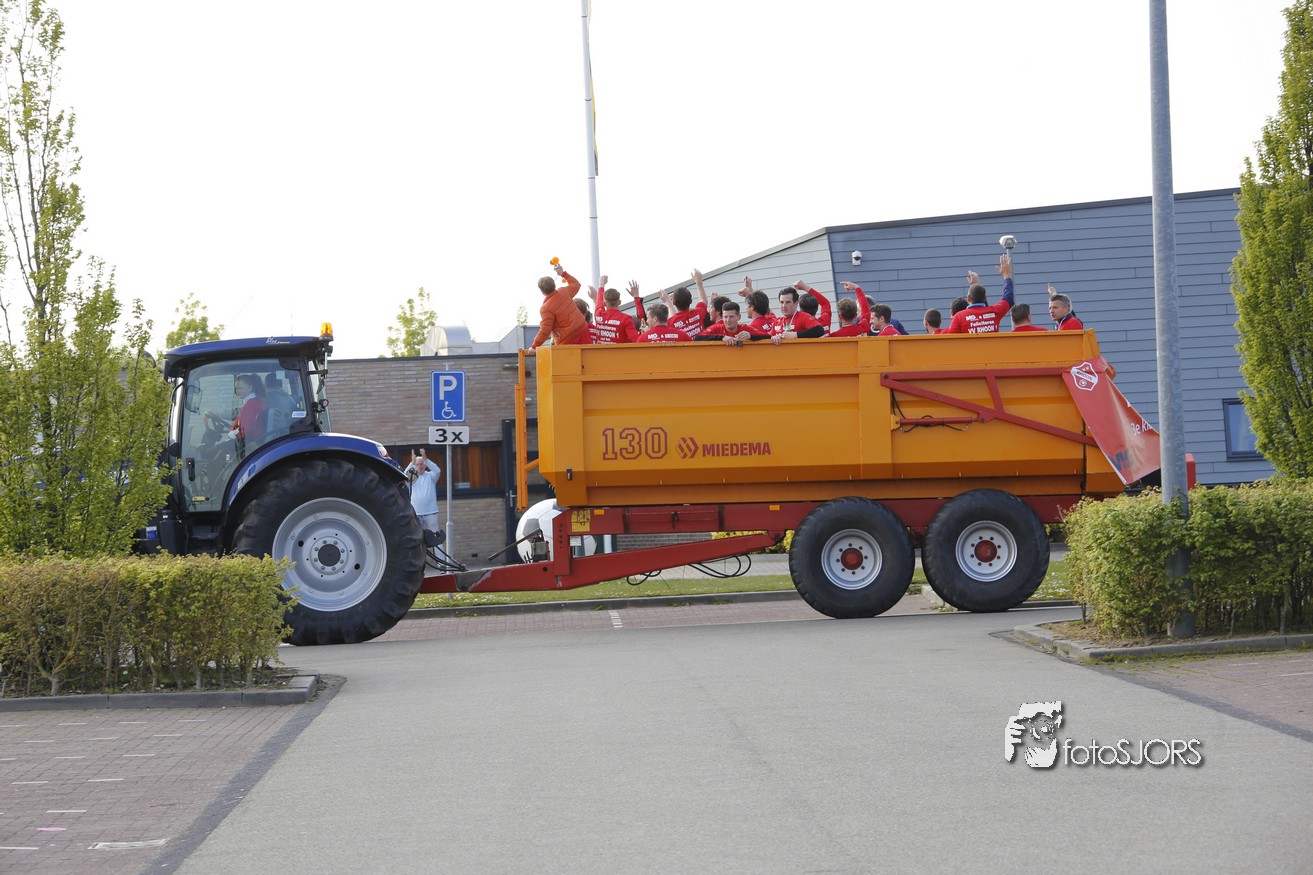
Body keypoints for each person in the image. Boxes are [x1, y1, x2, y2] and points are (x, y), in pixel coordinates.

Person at [944, 254, 1016, 334]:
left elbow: (951, 339)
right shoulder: (994, 312)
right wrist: (1007, 276)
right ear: (985, 298)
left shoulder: (959, 317)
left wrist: (975, 285)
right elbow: (1008, 299)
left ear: (968, 298)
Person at [529, 261, 589, 351]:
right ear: (554, 285)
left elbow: (545, 330)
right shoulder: (564, 291)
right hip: (582, 329)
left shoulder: (545, 309)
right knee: (589, 358)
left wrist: (534, 346)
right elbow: (576, 284)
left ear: (542, 291)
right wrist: (562, 273)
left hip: (567, 339)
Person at [660, 269, 710, 338]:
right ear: (691, 301)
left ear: (673, 302)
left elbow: (672, 317)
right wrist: (698, 282)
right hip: (701, 345)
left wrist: (668, 301)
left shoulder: (671, 322)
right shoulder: (697, 313)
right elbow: (703, 300)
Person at [404, 448, 442, 537]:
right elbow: (404, 476)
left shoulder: (431, 476)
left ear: (425, 465)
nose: (419, 466)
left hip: (431, 513)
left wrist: (426, 459)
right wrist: (412, 463)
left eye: (421, 464)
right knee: (417, 537)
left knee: (436, 537)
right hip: (416, 513)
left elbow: (437, 471)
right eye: (417, 464)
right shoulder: (412, 478)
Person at [695, 300, 769, 344]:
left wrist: (750, 336)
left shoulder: (744, 328)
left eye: (731, 317)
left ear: (739, 317)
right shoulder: (717, 328)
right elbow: (698, 338)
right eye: (725, 317)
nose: (728, 320)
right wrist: (722, 337)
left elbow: (768, 337)